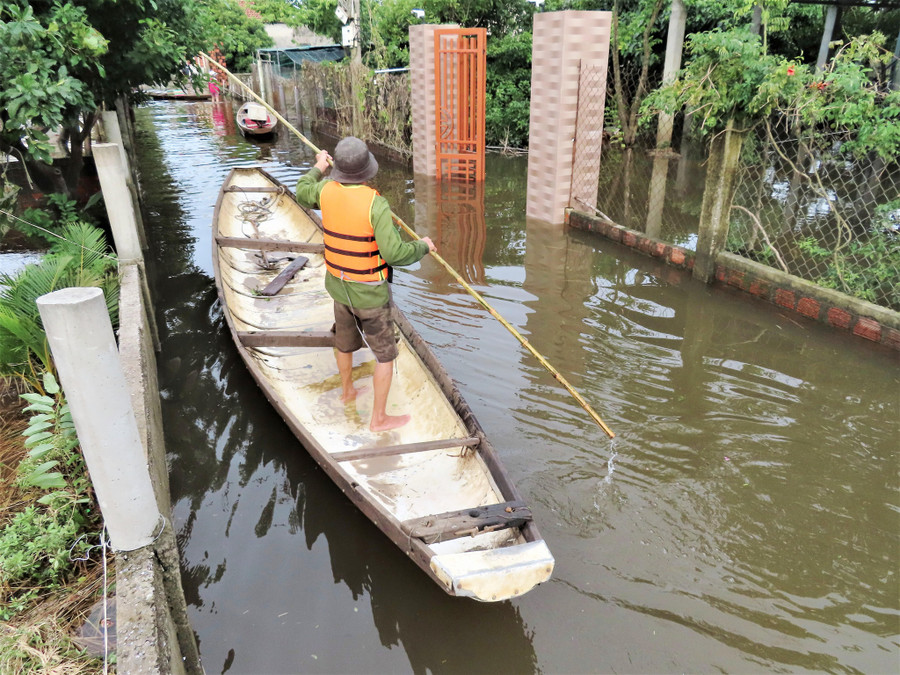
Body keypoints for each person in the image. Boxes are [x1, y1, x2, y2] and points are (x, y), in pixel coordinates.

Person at [295, 137, 436, 432]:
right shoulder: (376, 203)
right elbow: (395, 254)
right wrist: (422, 246)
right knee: (385, 355)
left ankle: (347, 391)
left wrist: (317, 167)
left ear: (337, 169)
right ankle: (379, 419)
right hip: (370, 295)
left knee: (344, 344)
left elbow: (302, 192)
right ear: (366, 171)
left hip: (339, 288)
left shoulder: (324, 190)